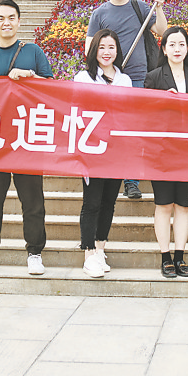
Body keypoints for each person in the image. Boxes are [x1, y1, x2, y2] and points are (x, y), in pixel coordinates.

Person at [0, 0, 53, 276]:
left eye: (11, 17)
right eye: (1, 18)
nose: (6, 23)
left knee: (33, 201)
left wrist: (29, 76)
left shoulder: (33, 51)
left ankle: (34, 253)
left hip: (27, 137)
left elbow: (52, 88)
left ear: (19, 21)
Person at [85, 0, 168, 200]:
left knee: (134, 130)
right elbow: (90, 47)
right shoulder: (99, 13)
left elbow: (162, 30)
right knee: (111, 128)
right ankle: (109, 172)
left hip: (138, 78)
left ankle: (131, 181)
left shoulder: (139, 7)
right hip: (110, 79)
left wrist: (159, 7)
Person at [142, 26, 188, 278]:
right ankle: (165, 257)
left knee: (183, 206)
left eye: (182, 44)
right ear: (164, 49)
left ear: (187, 48)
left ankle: (180, 257)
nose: (177, 49)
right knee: (164, 205)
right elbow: (143, 113)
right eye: (172, 44)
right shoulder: (153, 77)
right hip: (162, 151)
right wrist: (161, 101)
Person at [73, 29, 132, 277]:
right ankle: (88, 254)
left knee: (109, 202)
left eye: (111, 47)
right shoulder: (83, 78)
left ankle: (100, 249)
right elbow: (76, 111)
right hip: (92, 150)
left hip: (116, 151)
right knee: (92, 202)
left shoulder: (125, 80)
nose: (106, 52)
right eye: (101, 47)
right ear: (94, 50)